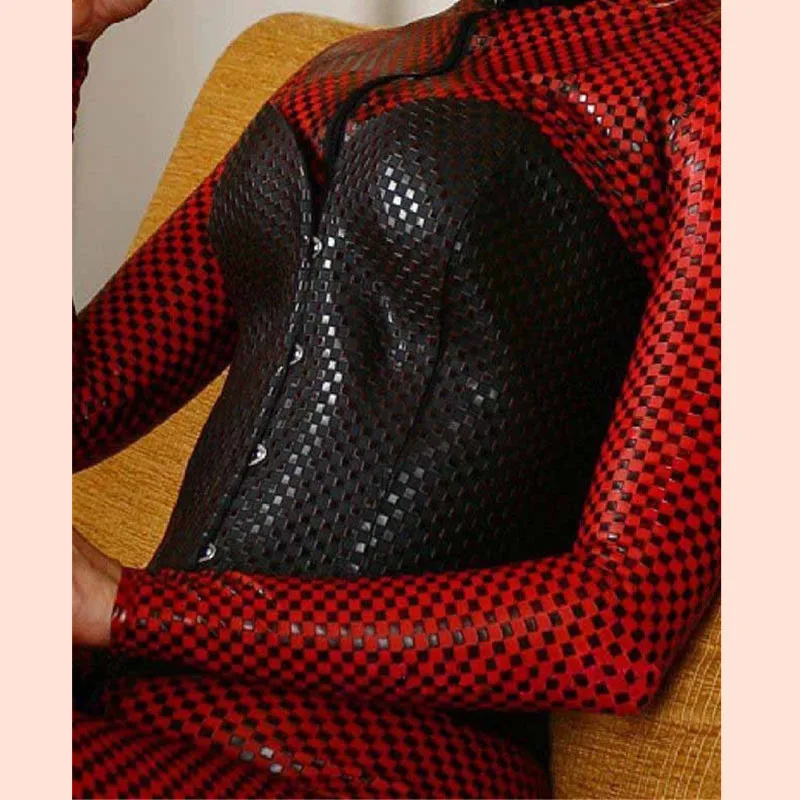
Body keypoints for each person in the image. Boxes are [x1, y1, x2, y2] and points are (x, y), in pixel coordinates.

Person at [72, 0, 721, 796]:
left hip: (386, 762)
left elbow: (619, 626)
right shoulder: (362, 64)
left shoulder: (724, 89)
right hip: (129, 713)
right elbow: (75, 399)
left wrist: (127, 609)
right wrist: (61, 40)